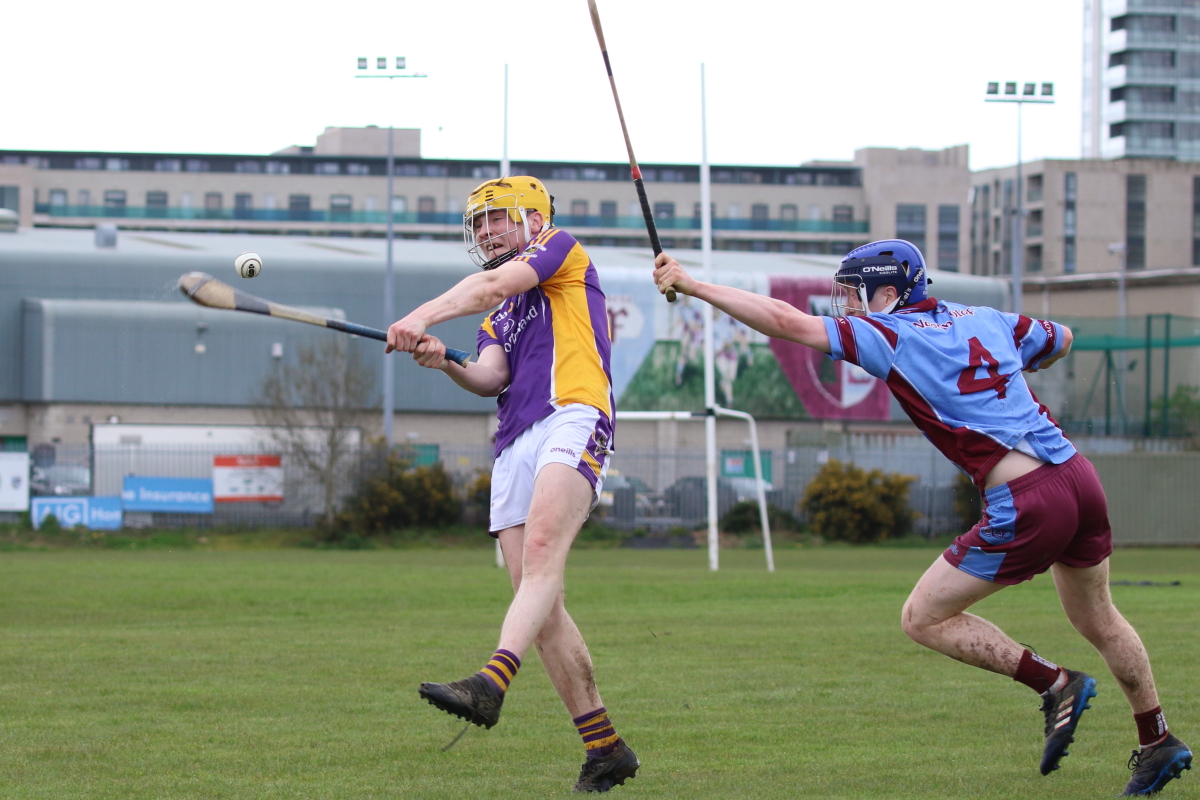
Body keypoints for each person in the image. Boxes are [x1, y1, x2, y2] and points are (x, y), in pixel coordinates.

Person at [652, 239, 1192, 796]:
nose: (848, 308)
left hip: (1028, 495)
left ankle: (1055, 683)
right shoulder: (983, 317)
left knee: (922, 618)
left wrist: (692, 285)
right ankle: (1158, 739)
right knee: (1100, 620)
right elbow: (1062, 338)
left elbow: (786, 322)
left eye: (855, 296)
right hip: (1078, 476)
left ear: (889, 293)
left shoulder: (890, 333)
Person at [386, 176, 639, 793]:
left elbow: (495, 281)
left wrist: (421, 312)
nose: (485, 232)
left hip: (573, 412)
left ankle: (490, 681)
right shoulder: (499, 313)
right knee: (539, 602)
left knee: (544, 561)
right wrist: (443, 358)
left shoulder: (561, 249)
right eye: (477, 225)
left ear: (531, 218)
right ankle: (605, 748)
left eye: (496, 219)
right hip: (514, 441)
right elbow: (489, 377)